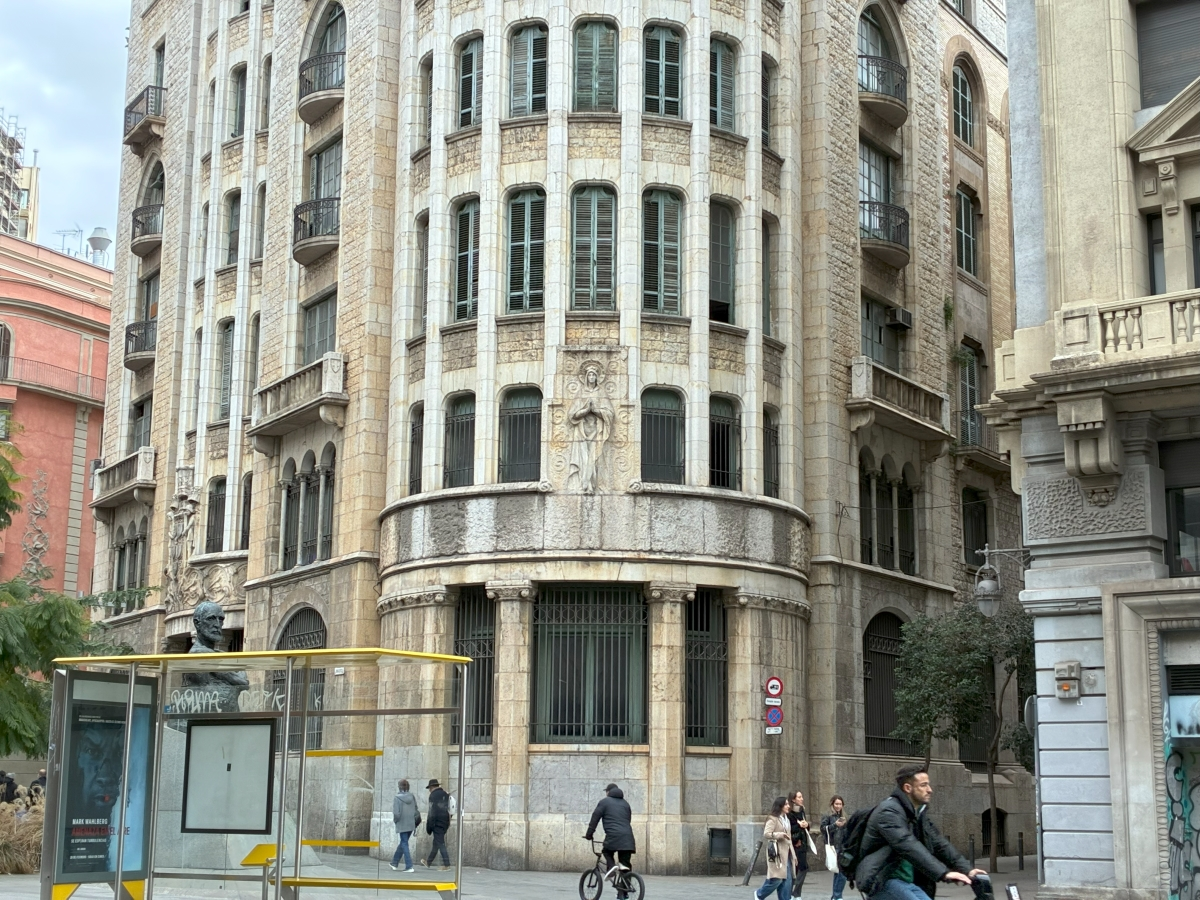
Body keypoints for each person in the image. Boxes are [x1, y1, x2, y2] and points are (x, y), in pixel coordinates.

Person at [855, 765, 986, 900]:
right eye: (923, 785)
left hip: (906, 881)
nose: (929, 790)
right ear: (908, 788)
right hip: (883, 879)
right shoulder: (888, 812)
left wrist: (967, 869)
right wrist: (943, 873)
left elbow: (939, 843)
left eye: (928, 784)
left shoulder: (917, 813)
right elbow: (907, 845)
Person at [584, 783, 636, 900]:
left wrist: (589, 834)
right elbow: (627, 820)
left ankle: (611, 868)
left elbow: (595, 818)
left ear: (608, 792)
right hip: (628, 837)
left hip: (613, 836)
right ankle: (624, 893)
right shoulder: (626, 804)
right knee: (625, 866)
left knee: (606, 851)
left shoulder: (604, 802)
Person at [756, 796, 797, 900]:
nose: (788, 806)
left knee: (787, 880)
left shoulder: (786, 819)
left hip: (787, 853)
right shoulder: (772, 818)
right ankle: (759, 894)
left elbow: (789, 838)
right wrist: (779, 834)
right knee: (777, 879)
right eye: (786, 804)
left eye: (788, 804)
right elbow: (767, 833)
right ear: (780, 806)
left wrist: (794, 855)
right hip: (777, 853)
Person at [390, 779, 420, 873]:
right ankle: (394, 862)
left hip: (402, 823)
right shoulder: (412, 796)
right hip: (411, 823)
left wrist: (396, 821)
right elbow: (416, 809)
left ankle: (409, 866)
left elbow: (396, 813)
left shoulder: (397, 798)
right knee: (403, 842)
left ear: (399, 787)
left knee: (404, 843)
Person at [822, 795, 848, 900]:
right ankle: (837, 896)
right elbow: (823, 829)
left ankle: (836, 896)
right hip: (833, 846)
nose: (838, 806)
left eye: (840, 804)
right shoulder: (828, 815)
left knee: (840, 873)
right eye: (836, 804)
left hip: (842, 846)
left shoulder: (844, 816)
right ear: (832, 804)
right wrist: (835, 825)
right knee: (841, 872)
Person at [423, 779, 452, 870]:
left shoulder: (433, 795)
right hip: (445, 822)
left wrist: (430, 825)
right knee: (436, 843)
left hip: (437, 822)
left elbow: (432, 811)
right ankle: (428, 862)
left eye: (429, 788)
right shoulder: (445, 794)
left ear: (432, 787)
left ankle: (447, 864)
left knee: (440, 843)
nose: (429, 790)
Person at [789, 791, 811, 899]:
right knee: (800, 868)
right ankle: (794, 893)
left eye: (802, 796)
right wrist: (799, 825)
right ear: (793, 799)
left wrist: (806, 825)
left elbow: (805, 828)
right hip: (795, 844)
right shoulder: (789, 813)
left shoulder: (802, 810)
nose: (802, 799)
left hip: (802, 843)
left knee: (801, 868)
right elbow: (788, 828)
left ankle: (795, 893)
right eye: (799, 797)